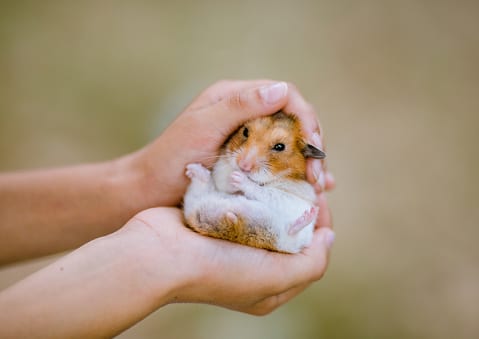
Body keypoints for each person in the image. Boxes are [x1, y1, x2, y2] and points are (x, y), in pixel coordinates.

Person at [0, 80, 335, 338]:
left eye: (277, 147)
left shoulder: (291, 182)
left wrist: (140, 183)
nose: (247, 159)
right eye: (245, 134)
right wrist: (158, 262)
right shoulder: (226, 165)